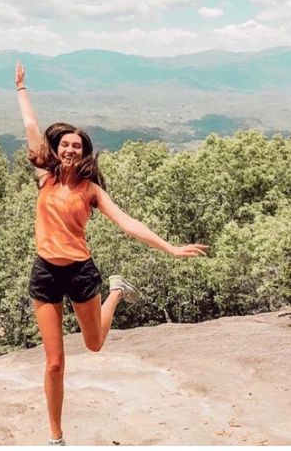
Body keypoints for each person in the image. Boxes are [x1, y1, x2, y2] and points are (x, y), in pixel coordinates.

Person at [14, 62, 206, 445]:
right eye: (65, 144)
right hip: (46, 274)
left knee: (94, 344)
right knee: (54, 362)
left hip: (81, 272)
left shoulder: (91, 190)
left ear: (84, 153)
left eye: (77, 145)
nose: (70, 149)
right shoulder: (44, 177)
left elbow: (128, 223)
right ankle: (55, 437)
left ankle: (116, 291)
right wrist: (21, 90)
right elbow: (32, 128)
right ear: (57, 149)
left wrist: (170, 247)